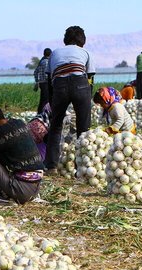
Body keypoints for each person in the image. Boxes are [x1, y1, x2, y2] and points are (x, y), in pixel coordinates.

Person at [44, 26, 95, 174]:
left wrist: (52, 101)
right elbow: (90, 78)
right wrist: (87, 99)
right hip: (81, 84)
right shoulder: (86, 53)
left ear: (65, 39)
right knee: (83, 127)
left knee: (55, 126)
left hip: (59, 86)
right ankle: (82, 167)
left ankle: (51, 166)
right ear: (82, 40)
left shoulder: (55, 53)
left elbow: (49, 80)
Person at [33, 48, 52, 113]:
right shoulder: (47, 62)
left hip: (42, 83)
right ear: (50, 54)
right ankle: (43, 113)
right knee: (46, 100)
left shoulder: (41, 61)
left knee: (43, 99)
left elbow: (35, 72)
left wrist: (37, 81)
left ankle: (40, 112)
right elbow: (47, 74)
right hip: (46, 83)